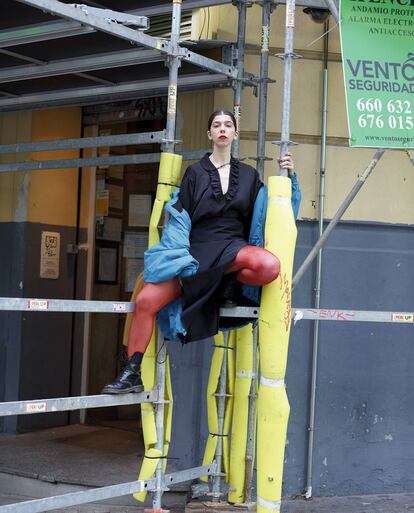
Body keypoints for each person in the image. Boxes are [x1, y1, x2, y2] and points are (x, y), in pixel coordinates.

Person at [102, 109, 300, 394]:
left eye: (228, 124)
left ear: (235, 133)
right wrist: (180, 259)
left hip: (233, 246)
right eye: (216, 125)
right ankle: (131, 373)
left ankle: (223, 278)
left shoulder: (248, 175)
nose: (222, 128)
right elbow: (180, 217)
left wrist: (288, 177)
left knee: (269, 266)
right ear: (210, 134)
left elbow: (271, 212)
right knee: (145, 300)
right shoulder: (194, 172)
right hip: (196, 251)